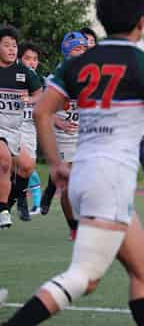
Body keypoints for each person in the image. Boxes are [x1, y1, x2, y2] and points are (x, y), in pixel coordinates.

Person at [1, 0, 144, 326]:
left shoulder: (76, 64)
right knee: (84, 276)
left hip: (86, 175)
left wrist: (55, 163)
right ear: (141, 21)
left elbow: (42, 112)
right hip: (109, 179)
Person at [40, 32, 88, 241]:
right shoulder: (56, 78)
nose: (81, 53)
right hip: (63, 137)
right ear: (67, 52)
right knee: (68, 186)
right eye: (76, 49)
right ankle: (74, 226)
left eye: (84, 49)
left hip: (86, 136)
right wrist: (57, 121)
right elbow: (42, 111)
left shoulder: (93, 75)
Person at [0, 26, 43, 229]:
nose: (11, 49)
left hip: (14, 131)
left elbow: (39, 94)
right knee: (4, 160)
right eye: (6, 45)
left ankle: (8, 203)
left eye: (14, 46)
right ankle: (2, 210)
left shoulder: (24, 73)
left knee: (26, 167)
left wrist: (30, 99)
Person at [18, 42, 46, 217]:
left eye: (35, 59)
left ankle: (32, 203)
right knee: (13, 164)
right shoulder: (13, 77)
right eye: (27, 58)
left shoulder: (41, 82)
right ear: (20, 59)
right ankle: (17, 202)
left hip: (30, 129)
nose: (32, 62)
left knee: (28, 168)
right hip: (13, 127)